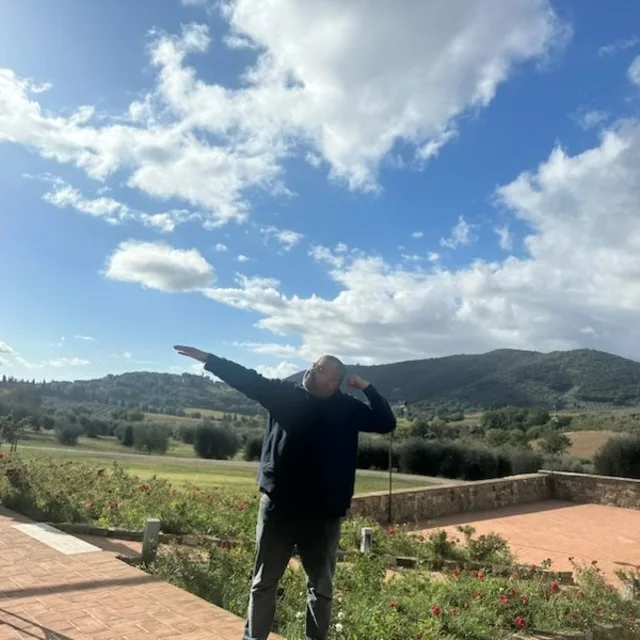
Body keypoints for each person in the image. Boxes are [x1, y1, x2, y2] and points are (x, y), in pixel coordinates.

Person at [173, 346, 397, 640]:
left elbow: (386, 422)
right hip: (278, 508)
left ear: (333, 382)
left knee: (321, 588)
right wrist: (209, 359)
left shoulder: (348, 409)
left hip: (323, 516)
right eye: (313, 364)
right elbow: (247, 379)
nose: (310, 370)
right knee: (263, 583)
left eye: (319, 369)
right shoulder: (285, 394)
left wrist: (367, 388)